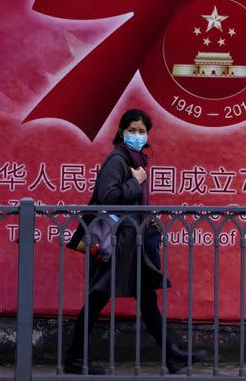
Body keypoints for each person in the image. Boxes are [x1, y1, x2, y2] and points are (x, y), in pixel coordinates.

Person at [64, 108, 206, 375]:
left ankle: (171, 355)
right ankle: (73, 359)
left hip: (132, 241)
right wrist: (136, 181)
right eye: (132, 131)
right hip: (117, 243)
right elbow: (107, 198)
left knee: (146, 297)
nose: (137, 135)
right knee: (97, 297)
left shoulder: (136, 160)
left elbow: (131, 202)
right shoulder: (117, 160)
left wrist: (145, 216)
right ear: (121, 132)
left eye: (142, 131)